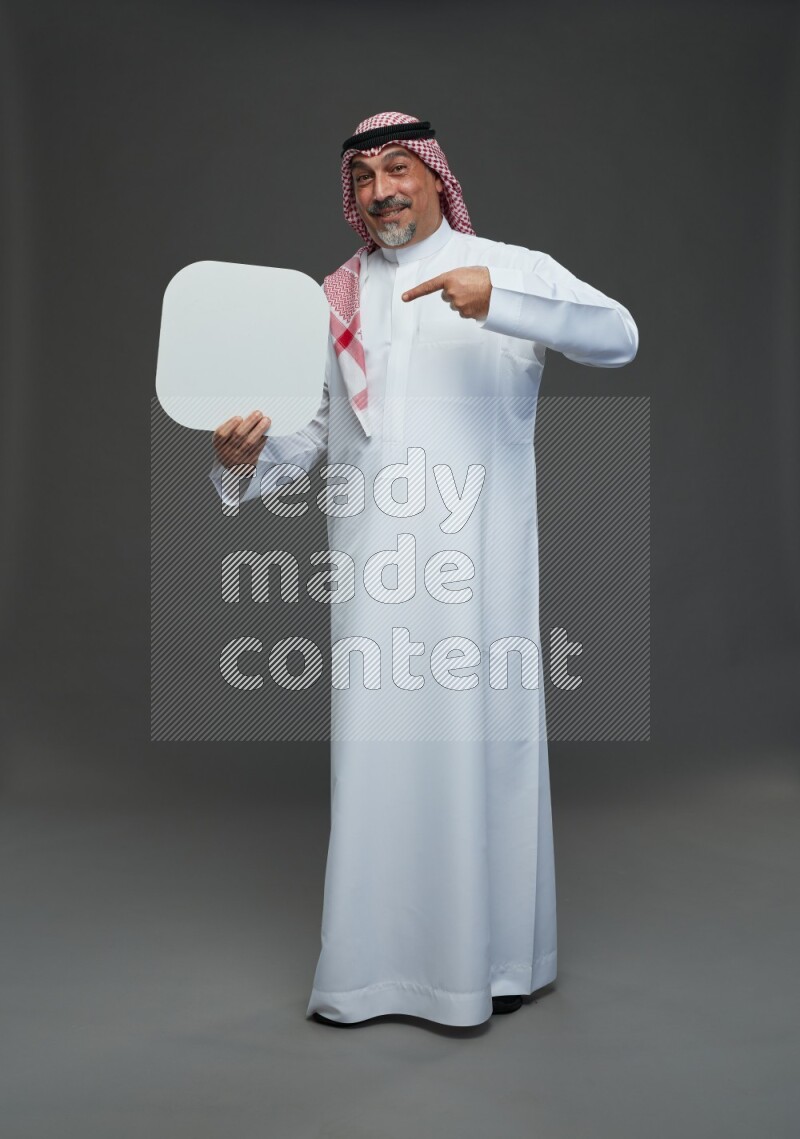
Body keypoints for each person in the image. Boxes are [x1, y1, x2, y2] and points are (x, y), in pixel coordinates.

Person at [209, 111, 638, 1026]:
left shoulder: (511, 268)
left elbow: (619, 337)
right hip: (372, 580)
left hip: (482, 582)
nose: (382, 191)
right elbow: (315, 440)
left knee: (484, 753)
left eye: (398, 169)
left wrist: (503, 304)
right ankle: (371, 976)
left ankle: (495, 966)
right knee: (378, 764)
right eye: (363, 177)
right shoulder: (335, 298)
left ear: (437, 177)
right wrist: (244, 461)